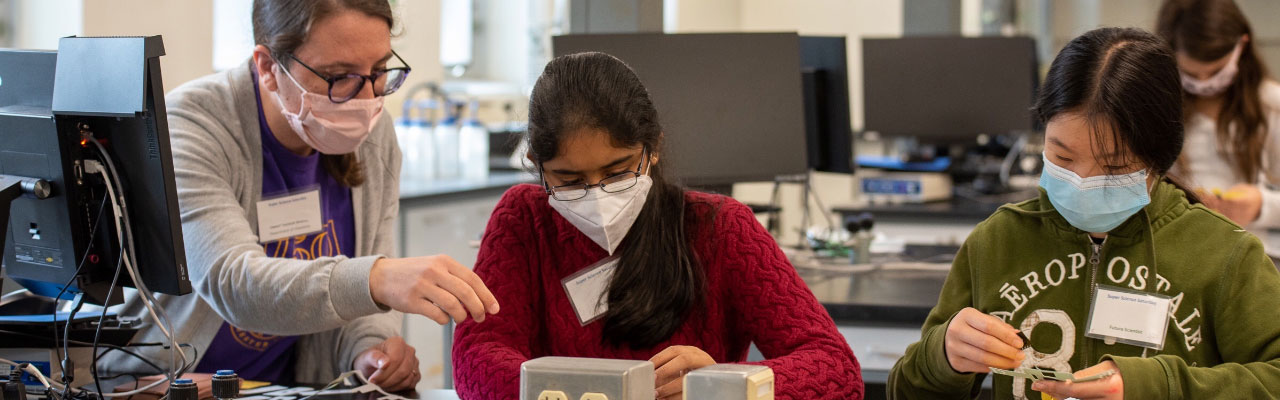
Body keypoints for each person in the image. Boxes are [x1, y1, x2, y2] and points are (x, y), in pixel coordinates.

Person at [102, 0, 499, 389]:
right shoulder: (192, 125)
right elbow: (235, 283)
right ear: (268, 67)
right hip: (165, 383)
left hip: (286, 388)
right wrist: (377, 279)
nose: (366, 100)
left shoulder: (374, 134)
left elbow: (363, 296)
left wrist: (368, 352)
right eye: (338, 75)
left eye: (378, 72)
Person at [887, 27, 1280, 399]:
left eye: (1114, 167)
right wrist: (942, 357)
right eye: (1062, 156)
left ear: (1160, 159)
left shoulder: (1225, 255)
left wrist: (1155, 385)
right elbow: (904, 390)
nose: (1081, 181)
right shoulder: (997, 241)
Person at [450, 52, 862, 400]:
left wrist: (723, 385)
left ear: (654, 148)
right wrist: (584, 390)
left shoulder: (720, 228)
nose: (597, 194)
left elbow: (837, 369)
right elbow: (477, 358)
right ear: (537, 167)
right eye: (569, 180)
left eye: (618, 172)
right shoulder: (524, 221)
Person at [1156, 0, 1280, 253]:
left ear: (1241, 46)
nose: (1205, 83)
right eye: (1191, 74)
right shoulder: (1157, 106)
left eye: (1215, 71)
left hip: (1257, 253)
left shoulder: (1272, 105)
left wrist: (1261, 205)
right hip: (1178, 250)